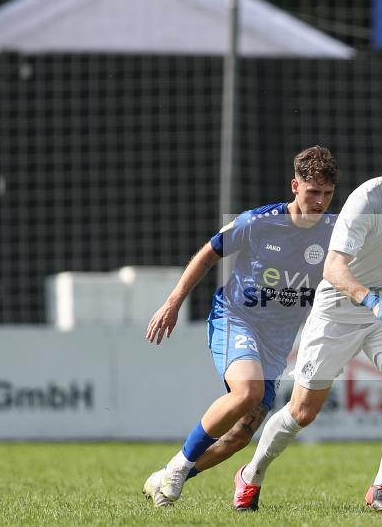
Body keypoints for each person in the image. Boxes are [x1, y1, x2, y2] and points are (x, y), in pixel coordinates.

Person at [232, 126, 382, 513]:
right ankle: (251, 474)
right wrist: (372, 301)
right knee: (302, 413)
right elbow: (332, 266)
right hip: (340, 310)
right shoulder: (364, 202)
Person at [141, 146, 339, 507]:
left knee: (239, 437)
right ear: (295, 186)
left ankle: (172, 472)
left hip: (277, 342)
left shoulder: (334, 232)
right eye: (313, 192)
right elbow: (207, 254)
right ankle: (174, 474)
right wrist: (173, 302)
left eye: (327, 194)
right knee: (246, 392)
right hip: (237, 317)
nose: (320, 202)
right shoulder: (256, 222)